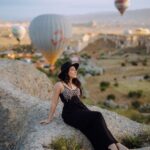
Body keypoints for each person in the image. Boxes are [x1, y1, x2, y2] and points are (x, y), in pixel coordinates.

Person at [40, 61, 129, 150]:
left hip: (81, 110)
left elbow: (79, 101)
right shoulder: (59, 85)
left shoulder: (76, 84)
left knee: (92, 126)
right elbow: (54, 103)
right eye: (72, 70)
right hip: (70, 114)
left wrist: (87, 111)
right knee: (97, 115)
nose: (75, 71)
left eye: (75, 70)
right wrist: (49, 118)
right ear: (66, 72)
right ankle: (112, 144)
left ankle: (111, 144)